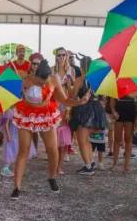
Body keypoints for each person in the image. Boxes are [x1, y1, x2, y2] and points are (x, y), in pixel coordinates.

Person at [11, 60, 87, 199]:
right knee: (23, 150)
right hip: (27, 115)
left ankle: (52, 177)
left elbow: (63, 99)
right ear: (35, 74)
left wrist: (79, 102)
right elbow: (13, 97)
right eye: (39, 82)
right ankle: (17, 187)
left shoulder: (54, 80)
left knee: (52, 149)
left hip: (46, 115)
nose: (42, 85)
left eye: (44, 83)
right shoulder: (25, 79)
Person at [69, 55, 108, 175]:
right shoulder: (98, 79)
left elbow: (72, 96)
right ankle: (90, 163)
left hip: (83, 110)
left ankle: (88, 166)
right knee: (87, 140)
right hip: (96, 109)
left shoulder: (80, 80)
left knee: (82, 140)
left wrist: (69, 87)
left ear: (81, 66)